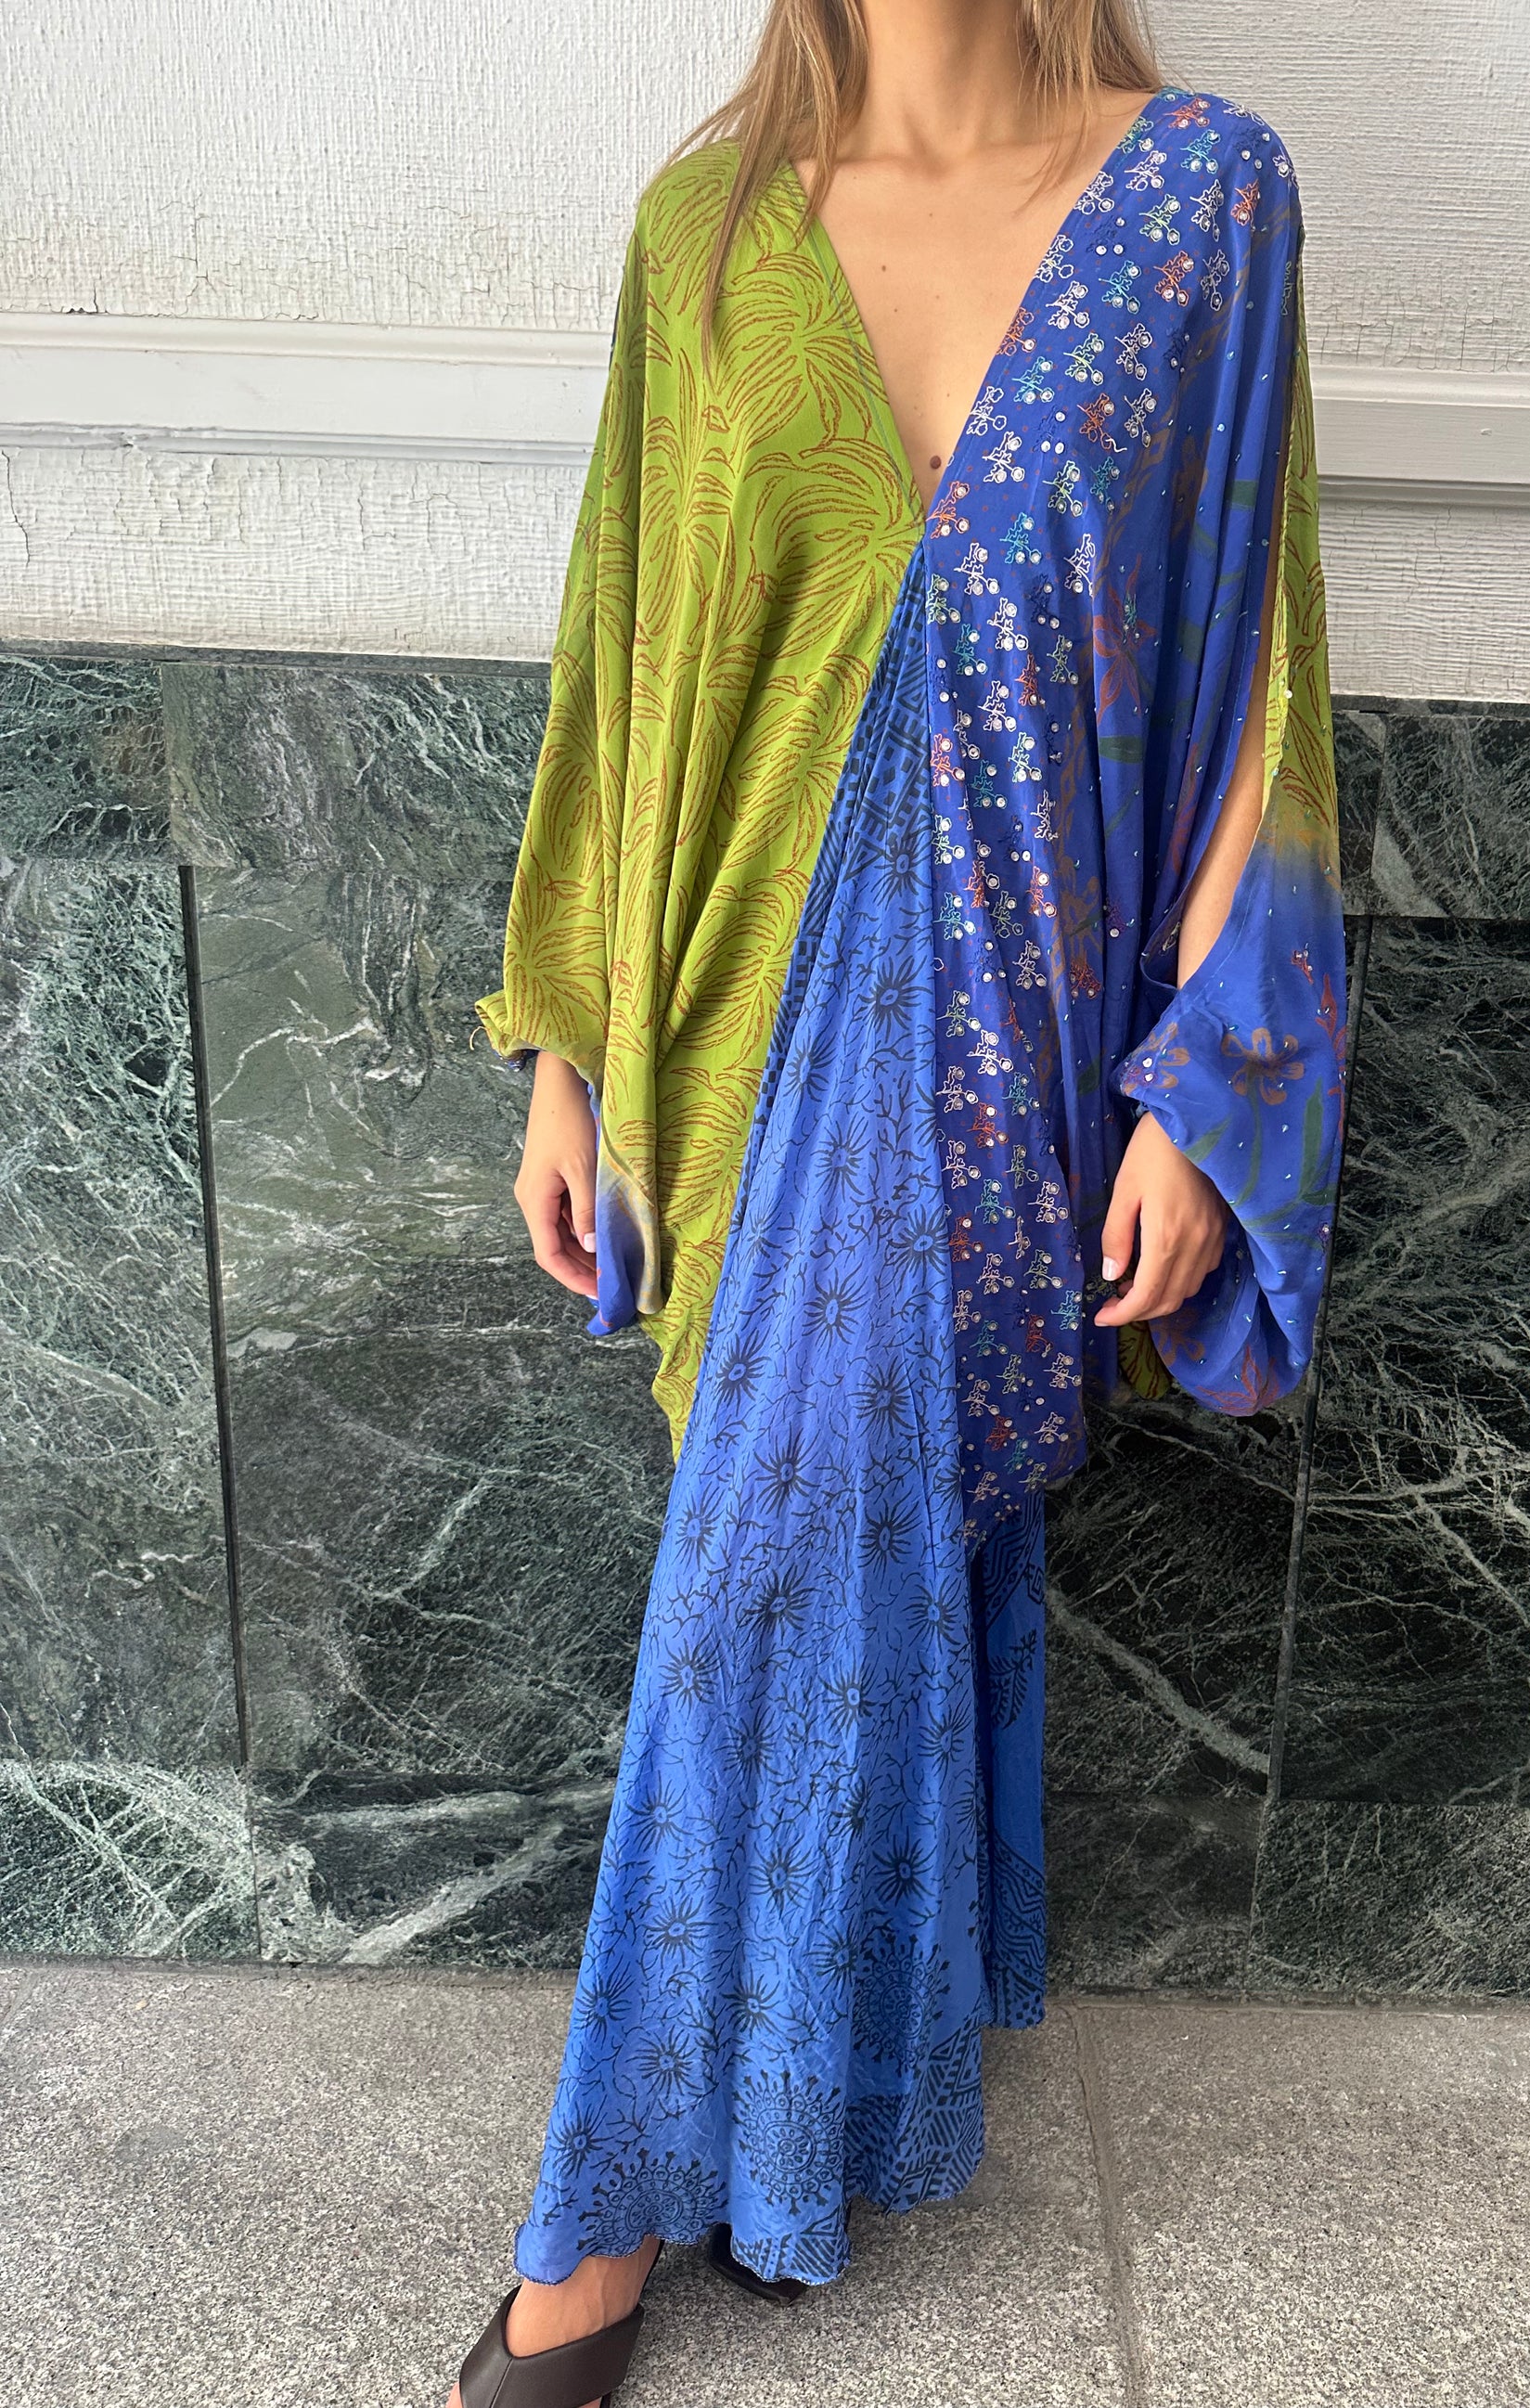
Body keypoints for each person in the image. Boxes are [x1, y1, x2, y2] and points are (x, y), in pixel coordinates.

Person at [454, 2, 1342, 2399]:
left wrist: (1206, 1089)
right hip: (745, 1024)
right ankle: (762, 2143)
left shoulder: (1204, 204)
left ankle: (604, 2221)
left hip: (1027, 1044)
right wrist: (568, 1051)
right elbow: (625, 651)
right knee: (792, 1571)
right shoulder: (708, 231)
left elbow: (1253, 681)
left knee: (832, 1563)